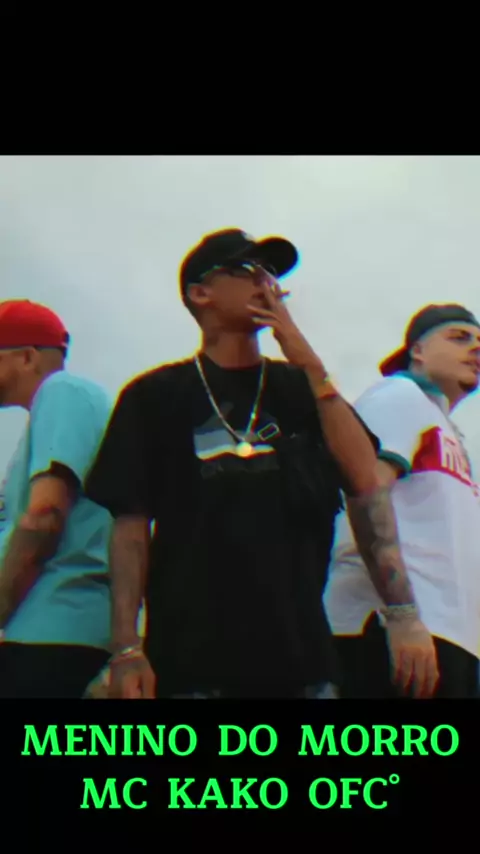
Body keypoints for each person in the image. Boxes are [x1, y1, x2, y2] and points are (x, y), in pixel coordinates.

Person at [85, 228, 431, 699]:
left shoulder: (302, 388)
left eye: (270, 272)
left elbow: (365, 478)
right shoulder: (153, 396)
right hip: (187, 660)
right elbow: (129, 530)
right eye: (247, 269)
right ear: (200, 293)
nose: (265, 283)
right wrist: (126, 648)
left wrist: (307, 360)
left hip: (302, 661)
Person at [325, 303, 480, 699]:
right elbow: (365, 492)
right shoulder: (399, 396)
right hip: (391, 632)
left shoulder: (448, 430)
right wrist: (402, 614)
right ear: (417, 351)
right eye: (459, 337)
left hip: (447, 637)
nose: (476, 348)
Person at [0, 300, 113, 697]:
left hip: (52, 635)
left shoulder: (62, 392)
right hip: (43, 633)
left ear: (27, 357)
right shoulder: (55, 408)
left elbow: (45, 514)